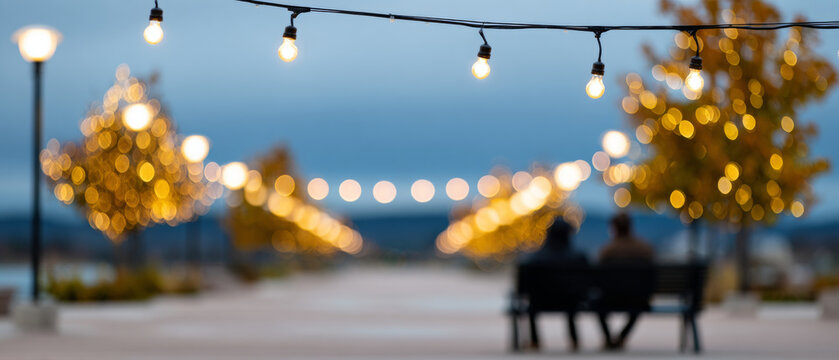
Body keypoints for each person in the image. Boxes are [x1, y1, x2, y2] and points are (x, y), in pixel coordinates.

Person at [516, 218, 588, 351]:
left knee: (533, 302)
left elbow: (523, 289)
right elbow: (587, 285)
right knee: (570, 298)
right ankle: (574, 339)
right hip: (571, 302)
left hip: (540, 302)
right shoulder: (578, 258)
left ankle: (535, 341)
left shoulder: (535, 259)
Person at [597, 213, 655, 350]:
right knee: (639, 304)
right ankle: (622, 337)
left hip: (610, 298)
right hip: (638, 299)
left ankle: (609, 338)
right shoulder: (644, 249)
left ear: (614, 228)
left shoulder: (607, 251)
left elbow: (598, 279)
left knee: (597, 305)